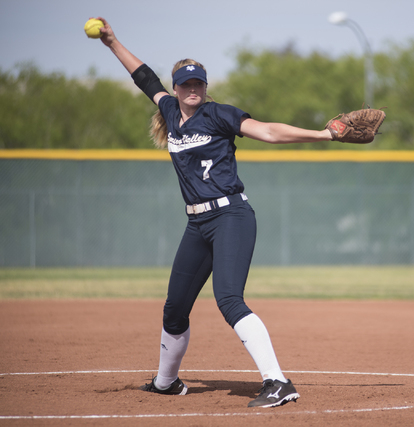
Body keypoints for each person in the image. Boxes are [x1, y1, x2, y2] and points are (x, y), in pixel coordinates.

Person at [95, 17, 335, 408]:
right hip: (197, 223)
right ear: (176, 88)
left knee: (228, 299)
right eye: (186, 83)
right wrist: (111, 42)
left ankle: (278, 382)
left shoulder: (219, 114)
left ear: (205, 88)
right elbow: (143, 77)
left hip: (231, 217)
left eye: (198, 83)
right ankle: (166, 382)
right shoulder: (170, 111)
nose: (192, 89)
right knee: (174, 309)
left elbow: (270, 132)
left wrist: (324, 135)